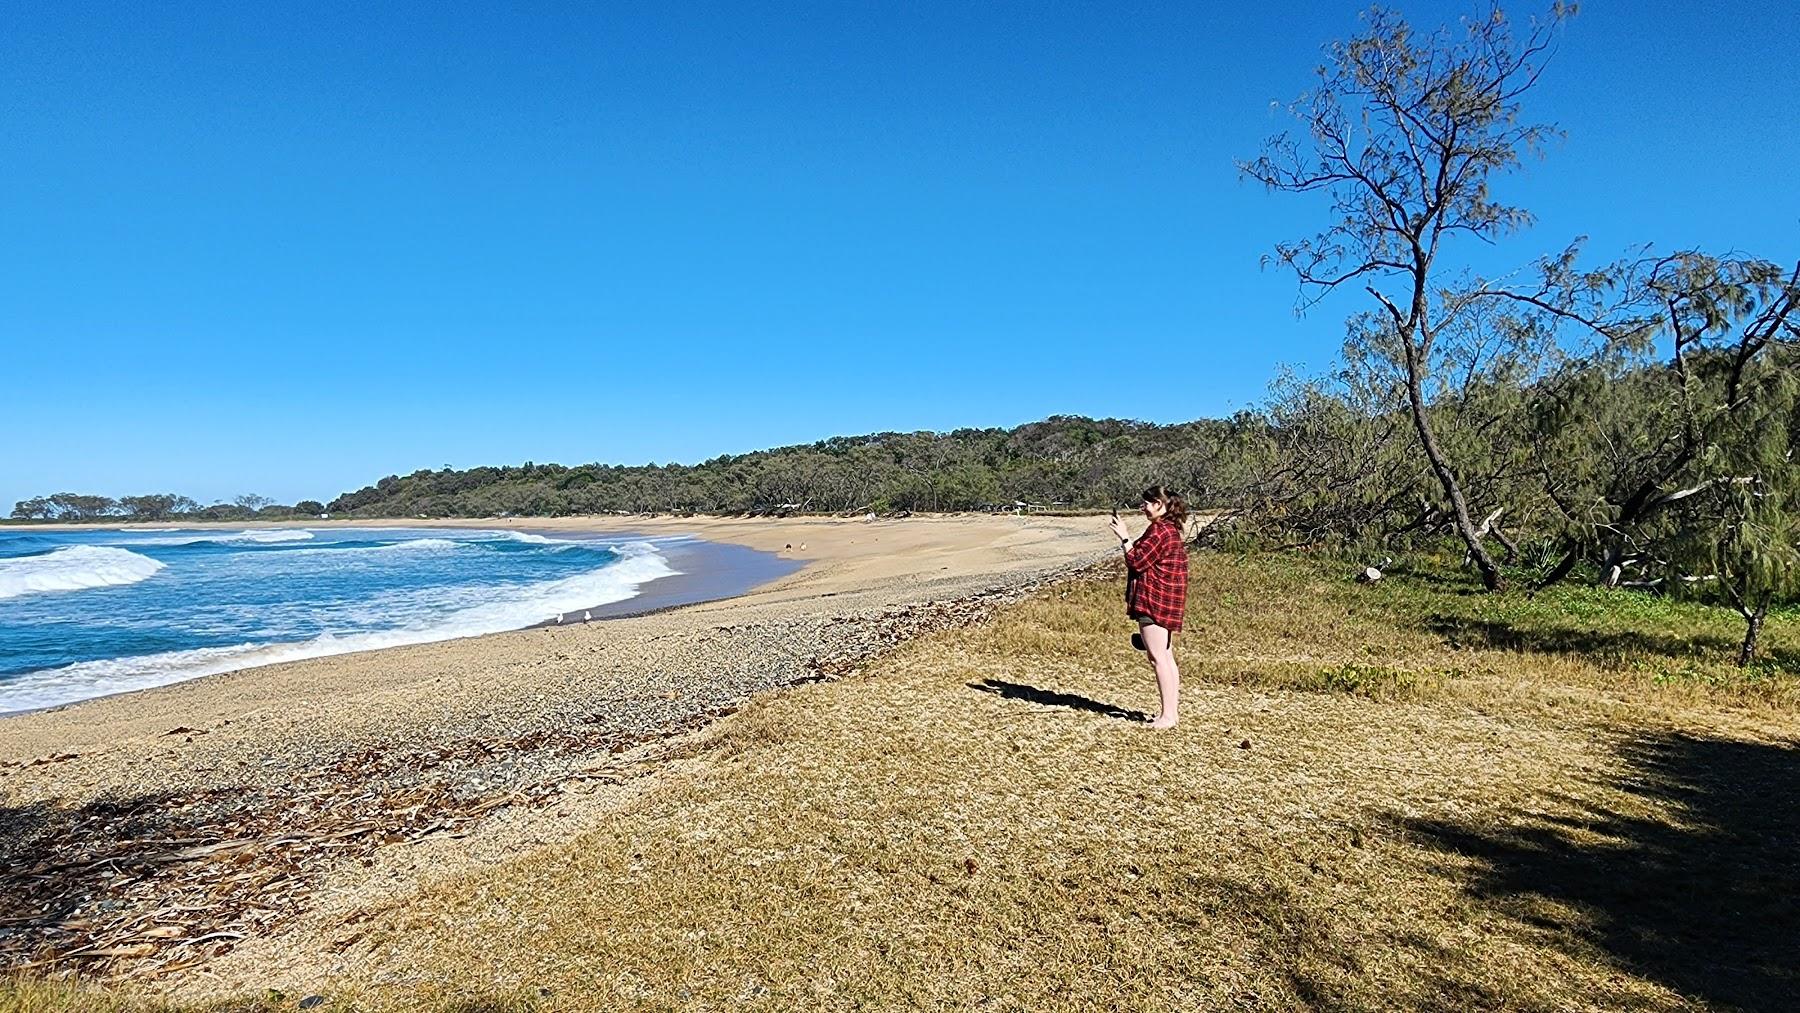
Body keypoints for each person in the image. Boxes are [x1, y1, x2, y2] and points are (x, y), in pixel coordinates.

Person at [1109, 485, 1188, 729]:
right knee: (1166, 656)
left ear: (1159, 505)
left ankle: (1167, 716)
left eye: (1146, 503)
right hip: (1165, 600)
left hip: (1155, 600)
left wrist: (1123, 537)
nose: (1142, 507)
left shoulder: (1160, 531)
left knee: (1158, 658)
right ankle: (1171, 713)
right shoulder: (1170, 530)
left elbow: (1137, 560)